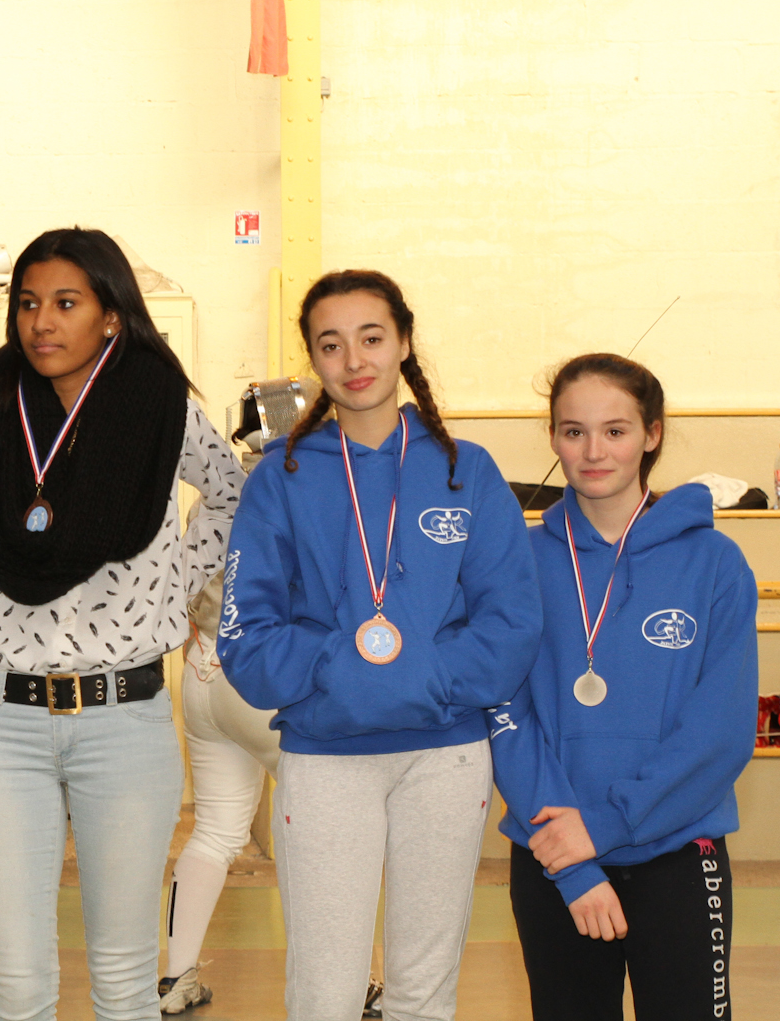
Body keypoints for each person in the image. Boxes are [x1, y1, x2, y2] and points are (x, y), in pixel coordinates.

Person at [0, 227, 243, 1021]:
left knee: (124, 982)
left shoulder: (161, 408)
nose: (42, 321)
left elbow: (234, 493)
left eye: (65, 303)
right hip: (0, 721)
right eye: (28, 304)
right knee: (17, 985)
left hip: (125, 719)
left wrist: (175, 585)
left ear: (111, 314)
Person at [217, 269, 541, 1021]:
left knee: (423, 992)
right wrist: (336, 665)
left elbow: (512, 622)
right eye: (331, 344)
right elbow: (246, 634)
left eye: (371, 337)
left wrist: (425, 671)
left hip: (446, 754)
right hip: (326, 756)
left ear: (403, 343)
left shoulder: (466, 469)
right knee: (324, 992)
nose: (354, 360)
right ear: (313, 359)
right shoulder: (281, 478)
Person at [488, 353, 757, 1021]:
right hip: (554, 858)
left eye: (615, 430)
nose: (594, 451)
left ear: (651, 434)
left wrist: (605, 827)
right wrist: (575, 863)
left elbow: (720, 733)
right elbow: (505, 714)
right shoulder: (519, 561)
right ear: (553, 438)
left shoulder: (715, 563)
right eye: (573, 431)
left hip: (678, 853)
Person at [160, 405, 384, 1019]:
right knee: (327, 828)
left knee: (215, 830)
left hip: (203, 673)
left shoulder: (221, 493)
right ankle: (352, 982)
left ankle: (176, 976)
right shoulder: (312, 491)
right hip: (267, 679)